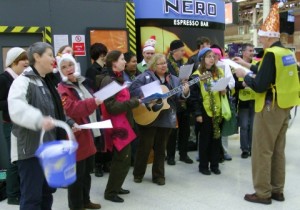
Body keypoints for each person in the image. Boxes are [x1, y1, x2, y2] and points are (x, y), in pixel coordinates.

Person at [235, 2, 300, 205]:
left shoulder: (271, 54)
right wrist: (249, 65)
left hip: (269, 107)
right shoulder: (286, 54)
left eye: (262, 36)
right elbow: (272, 73)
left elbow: (261, 85)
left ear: (270, 36)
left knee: (262, 151)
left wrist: (244, 76)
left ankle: (262, 193)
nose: (260, 39)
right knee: (278, 151)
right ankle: (277, 190)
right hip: (284, 107)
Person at [7, 42, 75, 210]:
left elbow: (55, 111)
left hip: (48, 149)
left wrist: (70, 123)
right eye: (50, 55)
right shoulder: (23, 81)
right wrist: (38, 119)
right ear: (37, 57)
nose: (54, 59)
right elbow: (16, 108)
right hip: (29, 150)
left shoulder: (47, 82)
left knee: (46, 194)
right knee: (32, 198)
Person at [130, 53, 190, 185]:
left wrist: (185, 92)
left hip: (166, 117)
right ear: (153, 65)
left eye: (165, 63)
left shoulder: (173, 79)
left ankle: (158, 176)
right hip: (147, 115)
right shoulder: (145, 77)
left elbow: (179, 96)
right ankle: (138, 173)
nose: (164, 66)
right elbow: (132, 89)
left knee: (161, 149)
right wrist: (147, 96)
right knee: (144, 147)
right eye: (160, 63)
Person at [56, 53, 101, 210]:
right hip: (74, 136)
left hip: (87, 132)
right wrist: (93, 102)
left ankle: (85, 200)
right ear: (59, 70)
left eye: (71, 65)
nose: (68, 69)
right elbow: (72, 109)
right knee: (76, 177)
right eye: (64, 67)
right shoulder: (62, 89)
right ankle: (76, 206)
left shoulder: (81, 83)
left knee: (87, 173)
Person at [99, 50, 140, 203]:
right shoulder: (109, 81)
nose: (125, 61)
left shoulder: (117, 78)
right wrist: (133, 102)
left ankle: (117, 186)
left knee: (123, 158)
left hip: (123, 124)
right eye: (122, 59)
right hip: (117, 127)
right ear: (114, 63)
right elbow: (111, 107)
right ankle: (110, 192)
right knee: (121, 159)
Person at [189, 48, 226, 175]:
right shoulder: (196, 75)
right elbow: (194, 97)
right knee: (205, 140)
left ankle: (215, 165)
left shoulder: (219, 72)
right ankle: (203, 166)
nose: (212, 58)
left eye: (213, 56)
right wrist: (198, 113)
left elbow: (225, 90)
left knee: (216, 139)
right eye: (209, 56)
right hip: (204, 111)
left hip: (218, 110)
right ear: (202, 59)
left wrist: (224, 91)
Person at [0, 47, 28, 205]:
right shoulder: (4, 78)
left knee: (21, 159)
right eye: (22, 59)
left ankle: (19, 191)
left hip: (22, 123)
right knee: (14, 161)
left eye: (26, 59)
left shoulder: (22, 78)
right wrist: (15, 101)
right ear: (13, 62)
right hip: (11, 124)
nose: (26, 62)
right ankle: (12, 195)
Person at [166, 40, 193, 165]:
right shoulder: (166, 63)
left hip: (184, 101)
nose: (183, 52)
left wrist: (187, 81)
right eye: (182, 50)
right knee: (172, 131)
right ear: (174, 51)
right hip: (172, 101)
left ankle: (183, 154)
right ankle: (170, 156)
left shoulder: (184, 63)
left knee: (185, 129)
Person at [85, 42, 110, 178]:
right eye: (105, 53)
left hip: (107, 104)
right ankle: (98, 164)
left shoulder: (106, 69)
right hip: (98, 105)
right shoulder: (92, 70)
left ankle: (106, 162)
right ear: (101, 54)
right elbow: (91, 90)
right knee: (99, 135)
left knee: (107, 135)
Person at [211, 45, 235, 161]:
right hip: (209, 101)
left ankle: (224, 151)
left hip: (223, 99)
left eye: (216, 54)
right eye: (212, 54)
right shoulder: (204, 66)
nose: (214, 57)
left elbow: (232, 81)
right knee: (208, 128)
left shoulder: (224, 65)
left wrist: (226, 87)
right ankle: (206, 152)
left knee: (223, 127)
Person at [234, 43, 256, 159]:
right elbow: (233, 84)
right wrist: (242, 84)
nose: (252, 53)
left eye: (253, 50)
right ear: (243, 52)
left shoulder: (256, 65)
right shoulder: (236, 66)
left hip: (255, 99)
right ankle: (245, 149)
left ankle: (253, 147)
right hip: (243, 100)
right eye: (250, 50)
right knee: (243, 126)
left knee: (253, 126)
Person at [123, 51, 141, 166]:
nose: (135, 64)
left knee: (136, 136)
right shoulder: (122, 77)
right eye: (133, 61)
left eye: (136, 61)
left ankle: (134, 160)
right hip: (126, 110)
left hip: (137, 109)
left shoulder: (137, 74)